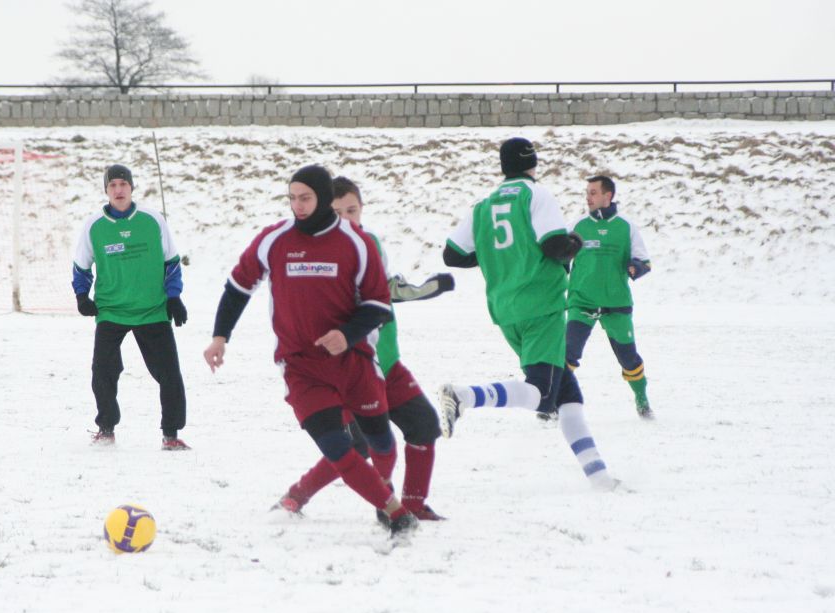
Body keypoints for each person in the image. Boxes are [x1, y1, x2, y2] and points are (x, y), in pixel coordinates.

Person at [203, 164, 418, 535]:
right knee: (339, 446)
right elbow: (238, 286)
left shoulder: (356, 242)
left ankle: (382, 504)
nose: (298, 206)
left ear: (321, 198)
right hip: (301, 366)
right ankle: (394, 512)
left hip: (354, 361)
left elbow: (379, 303)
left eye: (305, 198)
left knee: (381, 442)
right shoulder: (274, 239)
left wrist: (348, 335)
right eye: (292, 198)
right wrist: (220, 336)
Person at [437, 138, 618, 491]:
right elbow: (555, 246)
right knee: (541, 395)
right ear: (533, 163)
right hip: (542, 303)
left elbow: (453, 254)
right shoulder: (536, 194)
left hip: (506, 309)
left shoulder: (482, 205)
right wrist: (576, 243)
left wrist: (498, 255)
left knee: (568, 396)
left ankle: (600, 478)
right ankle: (464, 396)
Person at [274, 176, 455, 523]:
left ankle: (413, 504)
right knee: (357, 446)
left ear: (362, 209)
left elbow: (384, 290)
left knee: (424, 425)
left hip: (387, 363)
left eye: (352, 210)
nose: (347, 218)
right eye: (338, 212)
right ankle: (296, 496)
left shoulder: (368, 243)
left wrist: (417, 289)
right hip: (349, 372)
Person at [72, 164, 191, 450]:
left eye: (123, 184)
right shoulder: (94, 225)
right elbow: (81, 266)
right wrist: (81, 296)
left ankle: (171, 434)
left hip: (152, 309)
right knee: (103, 370)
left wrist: (174, 297)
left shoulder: (152, 220)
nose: (118, 189)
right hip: (111, 310)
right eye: (112, 185)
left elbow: (172, 263)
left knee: (169, 373)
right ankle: (106, 427)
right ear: (106, 190)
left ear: (132, 187)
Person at [564, 175, 654, 419]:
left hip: (616, 303)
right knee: (566, 354)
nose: (588, 197)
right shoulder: (578, 225)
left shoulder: (625, 226)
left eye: (593, 192)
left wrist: (636, 267)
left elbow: (645, 261)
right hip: (581, 302)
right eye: (587, 192)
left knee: (629, 359)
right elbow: (560, 258)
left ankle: (642, 398)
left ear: (608, 195)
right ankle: (553, 404)